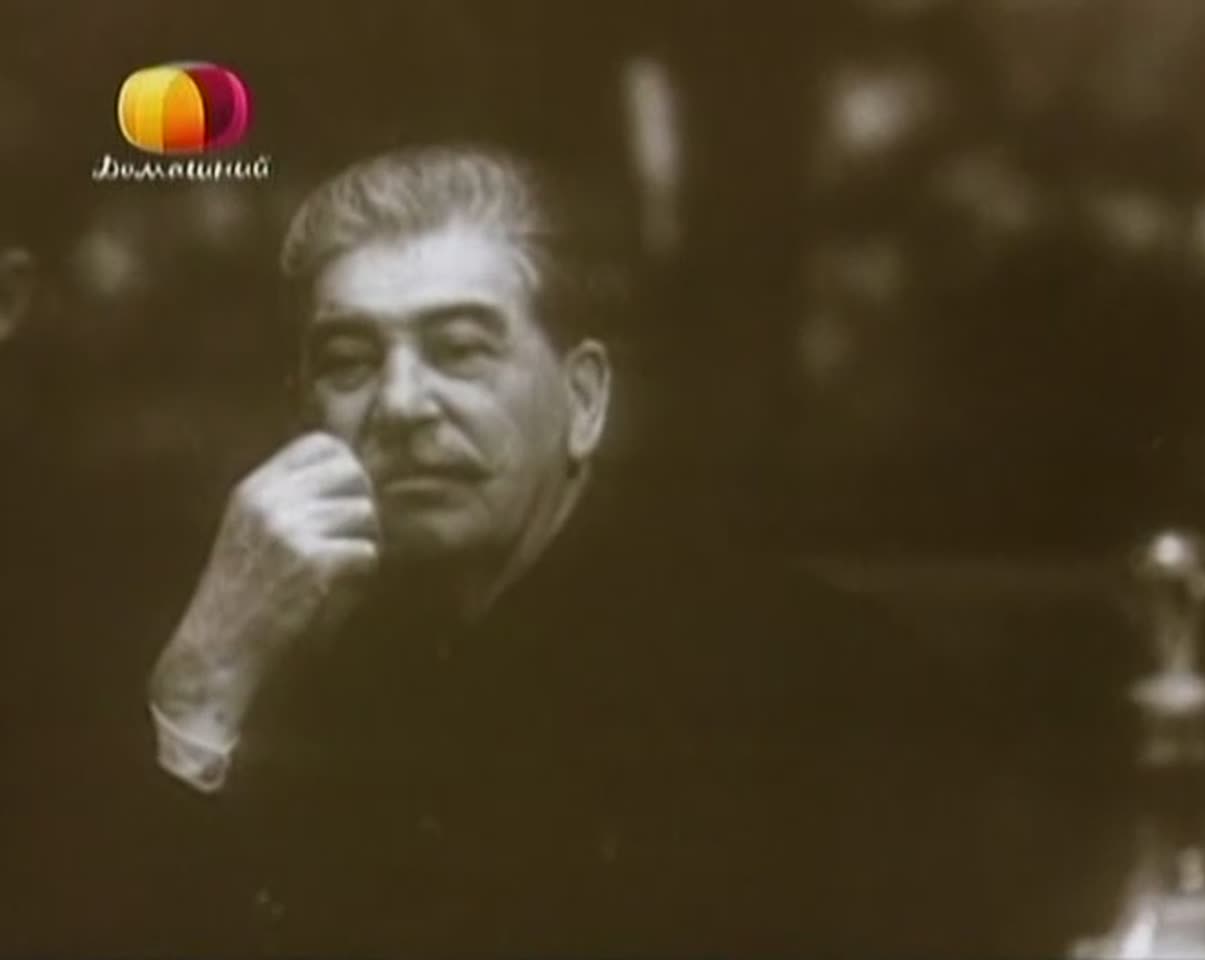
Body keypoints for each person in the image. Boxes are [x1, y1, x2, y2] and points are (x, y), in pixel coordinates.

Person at [127, 143, 1138, 956]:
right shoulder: (293, 662)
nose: (398, 403)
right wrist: (203, 684)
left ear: (583, 401)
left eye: (461, 349)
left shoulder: (801, 673)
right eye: (349, 361)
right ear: (304, 412)